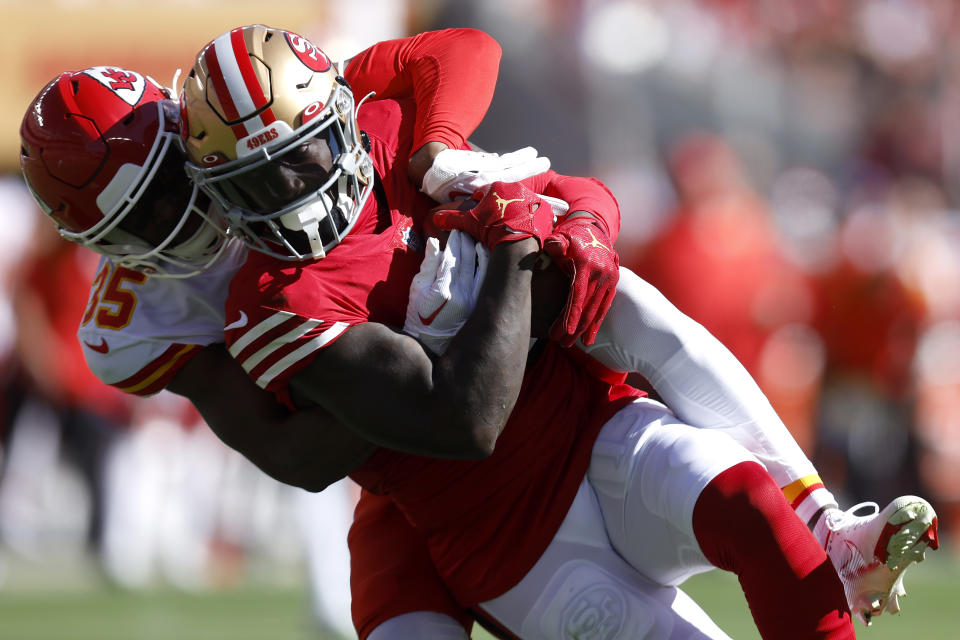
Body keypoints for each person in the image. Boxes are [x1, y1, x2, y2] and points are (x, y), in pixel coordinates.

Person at [20, 26, 936, 638]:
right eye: (146, 220)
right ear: (99, 245)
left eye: (181, 182)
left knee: (707, 436)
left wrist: (480, 174)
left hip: (578, 419)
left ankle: (825, 521)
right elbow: (351, 445)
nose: (186, 219)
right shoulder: (245, 304)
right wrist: (497, 260)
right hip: (460, 506)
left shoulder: (360, 124)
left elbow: (474, 69)